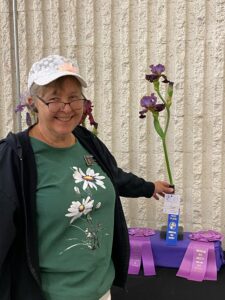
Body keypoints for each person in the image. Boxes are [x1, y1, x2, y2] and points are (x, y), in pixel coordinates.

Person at [0, 54, 174, 300]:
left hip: (101, 289)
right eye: (54, 98)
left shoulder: (86, 140)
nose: (67, 107)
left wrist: (148, 187)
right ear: (33, 102)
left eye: (74, 97)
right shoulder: (15, 156)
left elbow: (112, 176)